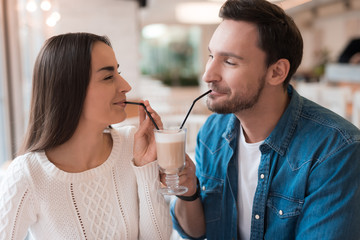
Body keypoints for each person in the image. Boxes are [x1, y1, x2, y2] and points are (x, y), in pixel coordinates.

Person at [169, 0, 360, 239]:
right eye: (211, 56)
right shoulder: (212, 131)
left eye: (229, 62)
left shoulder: (335, 150)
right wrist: (188, 190)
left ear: (276, 72)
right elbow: (197, 232)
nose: (208, 74)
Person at [0, 32, 172, 239]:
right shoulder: (27, 174)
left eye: (118, 73)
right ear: (68, 89)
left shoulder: (132, 143)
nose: (126, 86)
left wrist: (146, 167)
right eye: (108, 77)